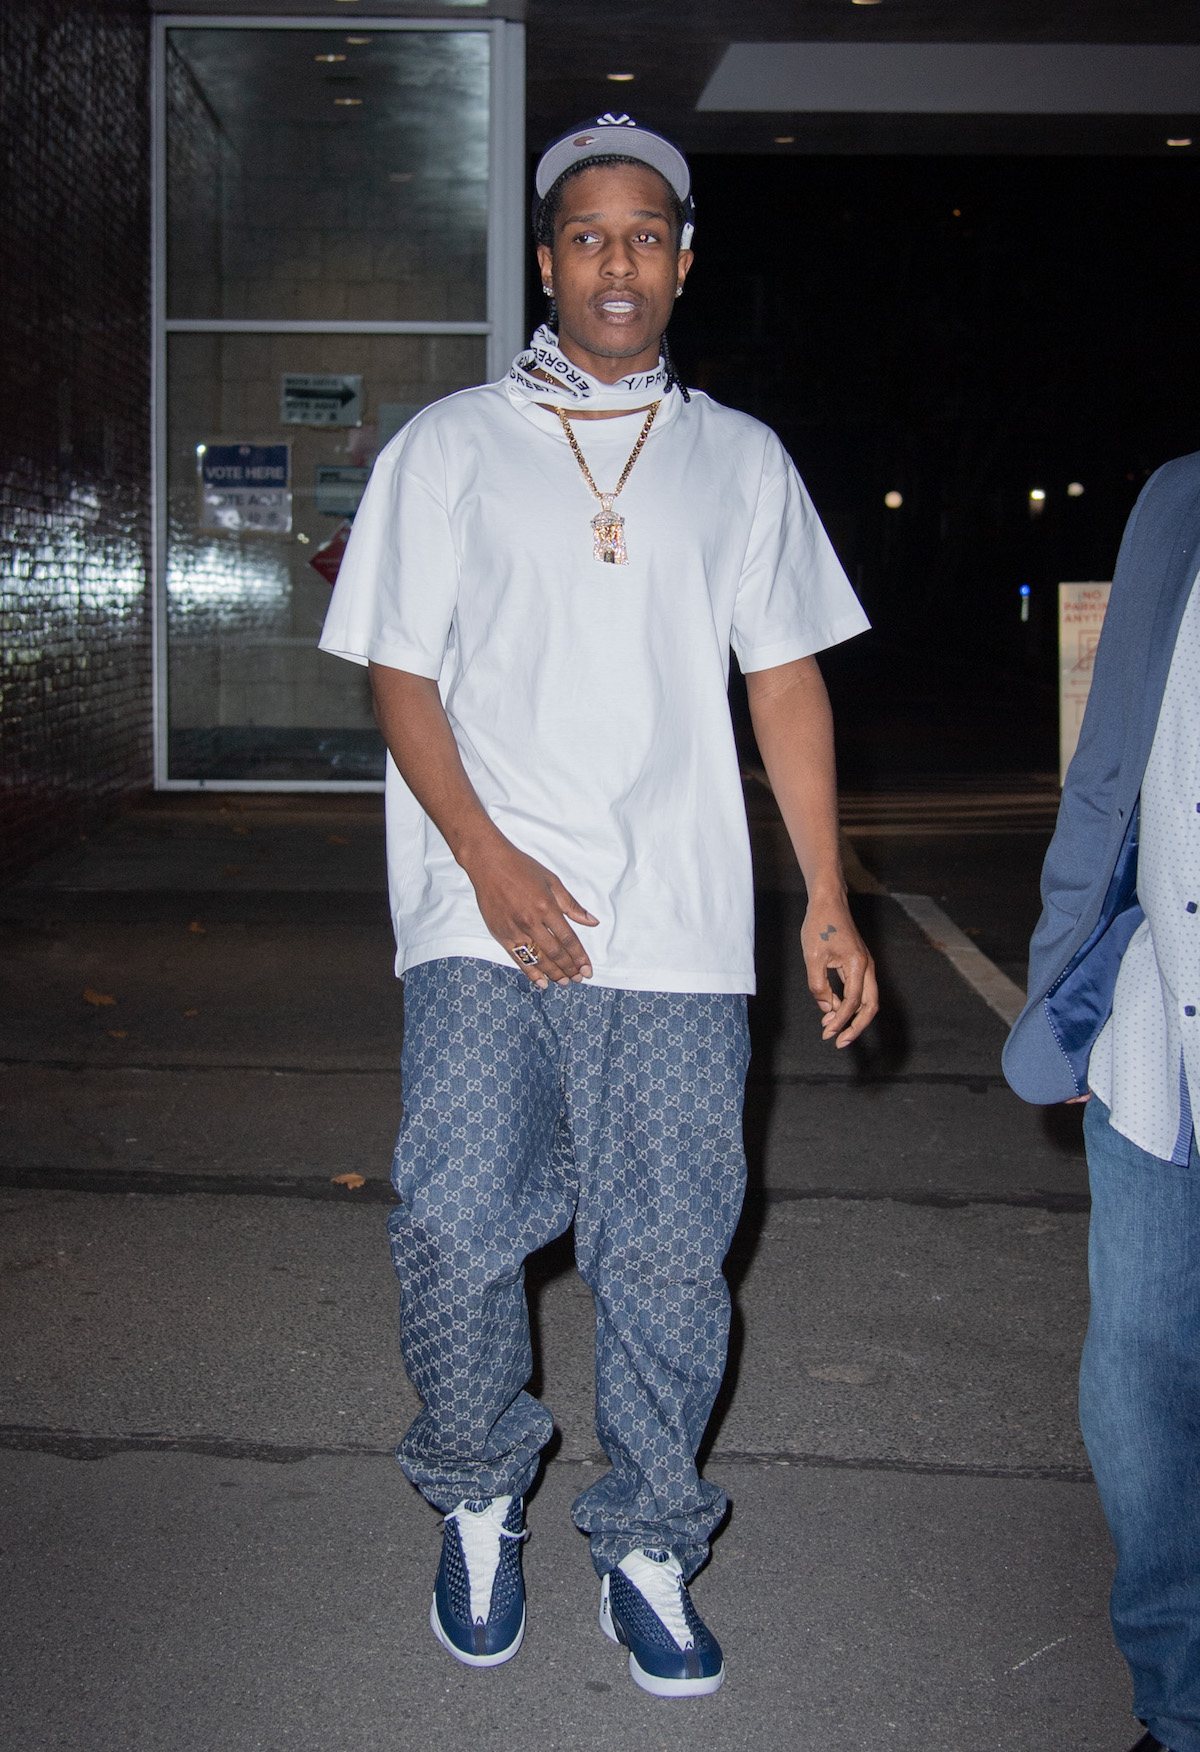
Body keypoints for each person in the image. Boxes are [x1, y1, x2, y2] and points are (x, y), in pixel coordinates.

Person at [320, 113, 876, 1698]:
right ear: (547, 261)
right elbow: (399, 673)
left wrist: (828, 899)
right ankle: (478, 1490)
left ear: (684, 262)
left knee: (667, 1251)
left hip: (682, 921)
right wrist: (489, 862)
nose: (616, 260)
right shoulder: (450, 447)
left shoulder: (741, 460)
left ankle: (646, 1538)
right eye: (586, 235)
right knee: (454, 1215)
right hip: (481, 908)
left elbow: (785, 681)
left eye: (645, 234)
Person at [1003, 452, 1200, 1752]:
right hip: (1156, 1042)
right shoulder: (1177, 500)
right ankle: (1179, 1707)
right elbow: (1110, 769)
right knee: (1136, 1391)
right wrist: (1060, 984)